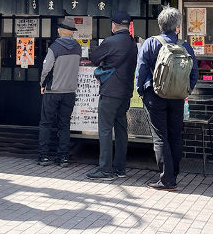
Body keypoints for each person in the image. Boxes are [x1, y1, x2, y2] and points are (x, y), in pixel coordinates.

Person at [136, 7, 199, 191]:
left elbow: (140, 71)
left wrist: (141, 90)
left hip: (154, 96)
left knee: (160, 136)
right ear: (177, 27)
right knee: (175, 135)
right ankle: (173, 174)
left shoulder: (150, 43)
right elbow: (194, 72)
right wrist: (186, 90)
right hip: (178, 97)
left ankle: (167, 180)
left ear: (160, 25)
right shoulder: (185, 46)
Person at [86, 11, 138, 181]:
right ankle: (120, 168)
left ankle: (105, 170)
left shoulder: (110, 41)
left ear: (114, 25)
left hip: (110, 91)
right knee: (121, 128)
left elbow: (94, 57)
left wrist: (103, 61)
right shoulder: (133, 43)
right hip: (125, 92)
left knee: (105, 129)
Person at [38, 17, 80, 168]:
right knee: (64, 125)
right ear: (72, 32)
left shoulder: (54, 47)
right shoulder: (77, 47)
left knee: (46, 123)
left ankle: (43, 156)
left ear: (59, 30)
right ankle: (63, 157)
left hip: (53, 91)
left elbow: (46, 68)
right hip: (69, 91)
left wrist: (42, 83)